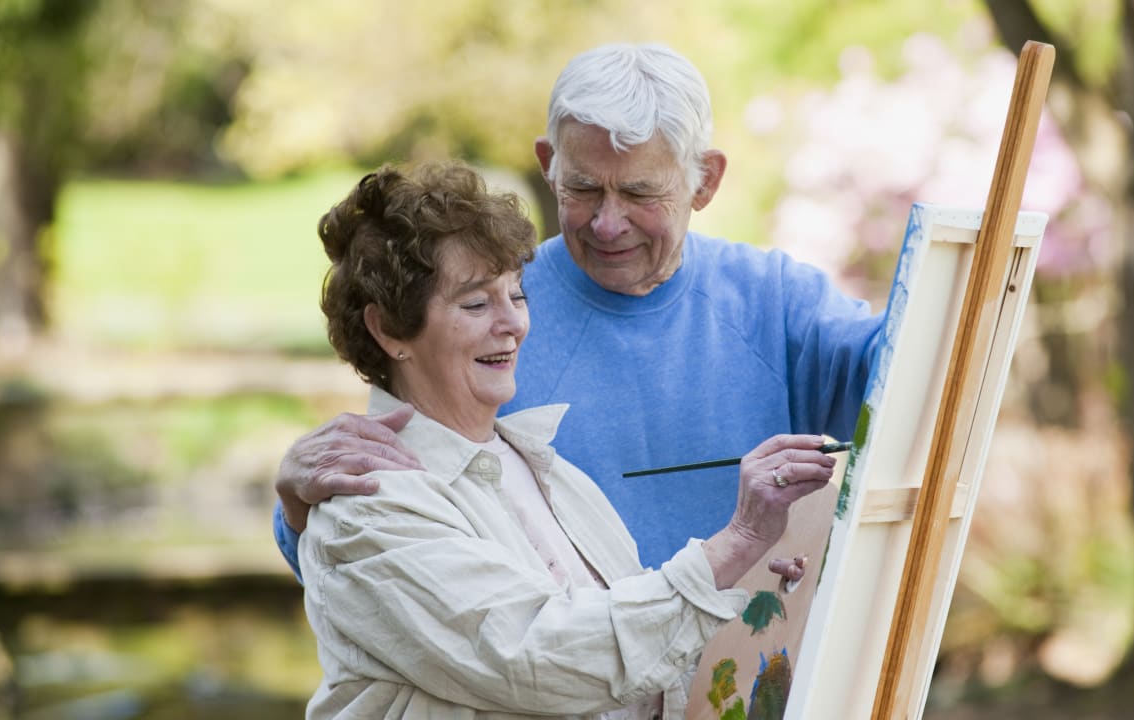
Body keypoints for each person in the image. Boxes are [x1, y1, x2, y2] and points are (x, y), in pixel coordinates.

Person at [274, 42, 886, 575]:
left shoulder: (776, 303)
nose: (608, 222)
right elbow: (380, 550)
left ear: (705, 181)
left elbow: (918, 374)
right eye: (583, 188)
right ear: (548, 166)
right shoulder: (485, 318)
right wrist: (297, 512)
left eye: (641, 192)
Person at [302, 160, 834, 718]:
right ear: (388, 329)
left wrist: (759, 587)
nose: (513, 324)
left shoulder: (545, 468)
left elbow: (642, 663)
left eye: (517, 295)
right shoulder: (367, 509)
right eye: (477, 303)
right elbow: (542, 659)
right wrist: (737, 541)